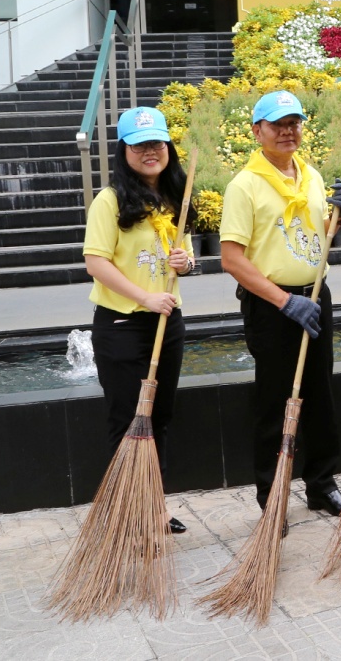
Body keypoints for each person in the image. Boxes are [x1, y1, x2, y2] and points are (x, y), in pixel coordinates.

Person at [219, 90, 341, 528]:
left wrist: (340, 216)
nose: (287, 131)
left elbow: (317, 234)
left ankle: (322, 484)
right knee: (275, 402)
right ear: (257, 131)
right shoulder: (244, 186)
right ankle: (271, 494)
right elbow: (232, 259)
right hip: (272, 305)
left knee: (320, 394)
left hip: (314, 297)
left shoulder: (310, 176)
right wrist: (284, 300)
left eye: (293, 123)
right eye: (277, 125)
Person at [82, 106, 195, 534]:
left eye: (157, 143)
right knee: (128, 420)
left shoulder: (175, 197)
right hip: (122, 326)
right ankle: (126, 513)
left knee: (159, 418)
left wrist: (185, 264)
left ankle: (153, 506)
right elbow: (96, 262)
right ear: (124, 151)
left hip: (166, 323)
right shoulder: (109, 201)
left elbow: (184, 257)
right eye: (140, 145)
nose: (151, 151)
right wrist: (145, 297)